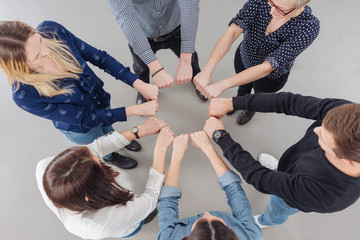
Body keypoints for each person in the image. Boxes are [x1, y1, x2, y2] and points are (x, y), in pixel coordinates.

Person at [0, 20, 159, 169]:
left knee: (108, 127)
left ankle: (118, 139)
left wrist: (139, 83)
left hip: (100, 100)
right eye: (36, 56)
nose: (46, 51)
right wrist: (136, 110)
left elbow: (100, 58)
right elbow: (85, 119)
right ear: (19, 65)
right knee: (100, 142)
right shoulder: (24, 94)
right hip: (81, 127)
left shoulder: (52, 31)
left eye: (40, 40)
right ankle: (111, 156)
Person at [205, 92, 360, 228]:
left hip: (289, 200)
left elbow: (260, 177)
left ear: (350, 162)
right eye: (322, 126)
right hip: (296, 166)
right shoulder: (348, 117)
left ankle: (265, 221)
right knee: (284, 172)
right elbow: (288, 102)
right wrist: (231, 103)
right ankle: (282, 172)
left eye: (324, 140)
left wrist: (220, 137)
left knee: (276, 209)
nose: (315, 130)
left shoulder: (323, 195)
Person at [36, 117, 174, 239]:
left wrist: (138, 131)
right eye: (100, 165)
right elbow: (151, 197)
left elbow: (97, 147)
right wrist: (160, 149)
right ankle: (143, 218)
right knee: (143, 215)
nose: (97, 155)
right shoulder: (103, 223)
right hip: (125, 223)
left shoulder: (44, 167)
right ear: (91, 191)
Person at [194, 0, 319, 124]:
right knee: (242, 87)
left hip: (271, 77)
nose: (271, 11)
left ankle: (249, 109)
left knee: (257, 96)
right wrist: (206, 71)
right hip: (245, 57)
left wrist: (221, 85)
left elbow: (268, 66)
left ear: (303, 5)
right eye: (271, 3)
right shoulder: (261, 1)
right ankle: (236, 103)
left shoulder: (308, 26)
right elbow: (232, 32)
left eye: (281, 10)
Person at [157, 131, 262, 240]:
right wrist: (207, 147)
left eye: (201, 221)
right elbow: (236, 193)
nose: (206, 214)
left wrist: (176, 154)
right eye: (218, 220)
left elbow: (167, 201)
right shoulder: (251, 236)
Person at [107, 0, 207, 103]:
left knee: (192, 59)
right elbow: (126, 19)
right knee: (141, 68)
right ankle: (144, 89)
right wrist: (157, 70)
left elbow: (189, 3)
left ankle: (196, 76)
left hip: (176, 27)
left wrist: (185, 61)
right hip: (142, 35)